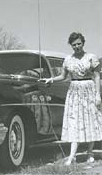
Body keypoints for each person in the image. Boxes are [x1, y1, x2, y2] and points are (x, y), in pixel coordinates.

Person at [41, 32, 102, 166]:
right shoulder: (68, 59)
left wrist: (97, 95)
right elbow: (63, 76)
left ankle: (90, 152)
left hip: (89, 89)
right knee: (75, 121)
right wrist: (51, 79)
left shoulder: (91, 57)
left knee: (90, 119)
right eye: (74, 45)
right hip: (74, 91)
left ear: (83, 43)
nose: (77, 47)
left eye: (79, 44)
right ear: (71, 45)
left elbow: (97, 76)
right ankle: (72, 155)